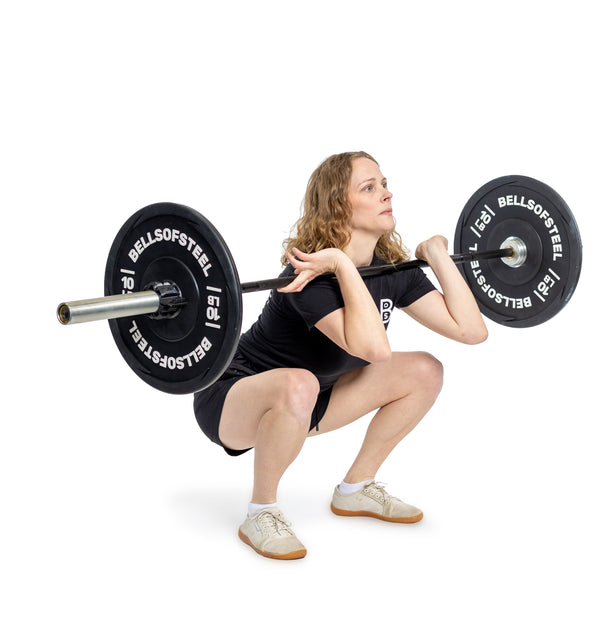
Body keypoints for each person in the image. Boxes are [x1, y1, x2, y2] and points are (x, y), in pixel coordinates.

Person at [193, 151, 488, 560]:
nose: (386, 193)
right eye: (369, 188)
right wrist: (338, 264)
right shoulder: (306, 276)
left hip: (312, 399)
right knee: (300, 382)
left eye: (383, 183)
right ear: (337, 205)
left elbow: (471, 331)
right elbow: (373, 349)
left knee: (425, 370)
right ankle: (260, 512)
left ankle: (355, 489)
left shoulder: (389, 270)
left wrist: (438, 255)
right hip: (231, 399)